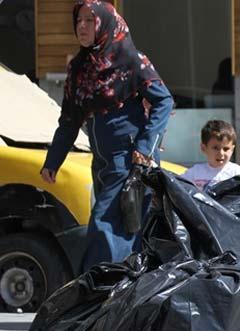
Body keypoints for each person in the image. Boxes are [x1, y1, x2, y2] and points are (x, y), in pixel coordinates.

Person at [40, 0, 173, 271]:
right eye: (79, 20)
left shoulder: (131, 60)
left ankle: (95, 293)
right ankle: (120, 296)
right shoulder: (79, 68)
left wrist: (145, 147)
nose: (82, 26)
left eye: (90, 20)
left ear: (105, 23)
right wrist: (53, 161)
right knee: (124, 230)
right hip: (102, 162)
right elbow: (69, 121)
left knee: (106, 226)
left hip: (129, 160)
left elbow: (164, 101)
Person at [181, 120, 240, 189]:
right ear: (203, 148)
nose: (221, 153)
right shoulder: (193, 174)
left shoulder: (237, 173)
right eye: (215, 148)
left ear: (232, 149)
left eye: (226, 149)